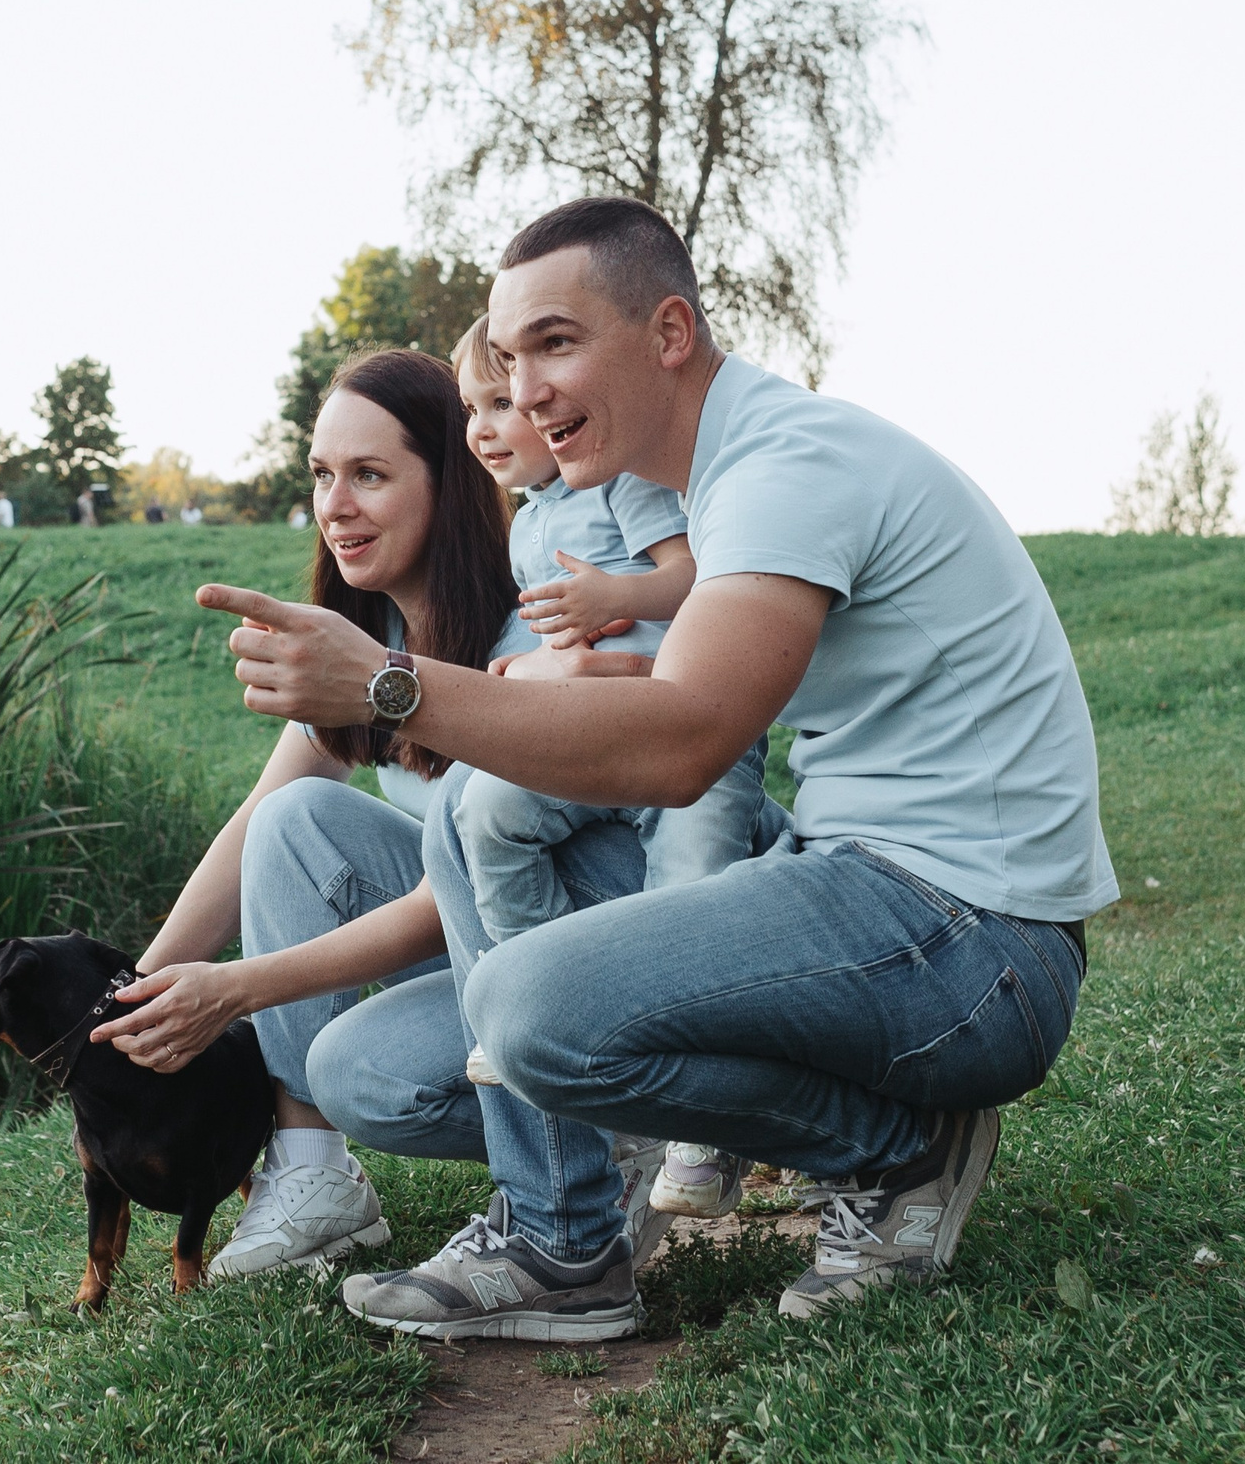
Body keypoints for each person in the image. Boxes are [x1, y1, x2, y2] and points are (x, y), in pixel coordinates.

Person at [126, 195, 1109, 1335]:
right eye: (505, 357)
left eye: (555, 343)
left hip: (972, 938)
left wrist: (394, 689)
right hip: (879, 891)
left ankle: (894, 1152)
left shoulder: (783, 467)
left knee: (528, 1008)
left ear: (671, 334)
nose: (524, 390)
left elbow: (688, 746)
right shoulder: (702, 486)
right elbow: (659, 709)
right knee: (390, 1048)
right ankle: (564, 1235)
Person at [94, 349, 669, 1291]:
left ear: (450, 480)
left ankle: (617, 1124)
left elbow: (465, 879)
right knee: (300, 829)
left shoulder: (534, 626)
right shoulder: (373, 639)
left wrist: (236, 987)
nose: (336, 504)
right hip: (490, 941)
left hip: (590, 943)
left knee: (364, 1070)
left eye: (370, 475)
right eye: (323, 475)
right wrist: (132, 998)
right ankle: (313, 1178)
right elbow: (264, 818)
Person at [447, 315, 775, 1220]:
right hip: (596, 734)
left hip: (691, 730)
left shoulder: (618, 485)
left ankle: (703, 1137)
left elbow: (696, 575)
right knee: (488, 813)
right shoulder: (527, 524)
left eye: (500, 403)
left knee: (686, 896)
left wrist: (613, 595)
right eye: (471, 406)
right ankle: (534, 990)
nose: (483, 426)